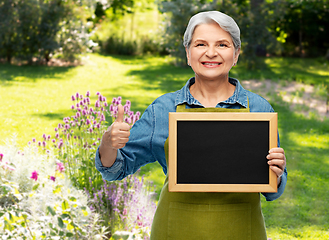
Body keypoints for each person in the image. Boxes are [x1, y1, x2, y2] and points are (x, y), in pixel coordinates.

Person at [96, 11, 287, 240]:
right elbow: (115, 169)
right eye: (200, 44)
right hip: (175, 231)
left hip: (242, 231)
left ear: (236, 54)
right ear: (188, 53)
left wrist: (276, 173)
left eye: (222, 44)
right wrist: (108, 144)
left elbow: (273, 190)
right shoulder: (162, 109)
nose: (211, 53)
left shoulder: (259, 109)